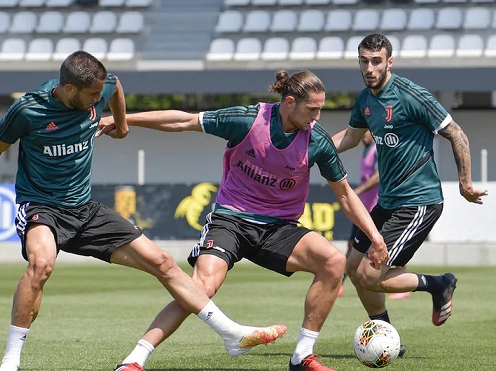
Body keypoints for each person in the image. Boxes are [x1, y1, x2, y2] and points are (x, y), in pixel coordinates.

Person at [0, 51, 286, 371]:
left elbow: (116, 84)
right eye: (92, 94)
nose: (98, 99)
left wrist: (121, 124)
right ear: (69, 89)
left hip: (86, 209)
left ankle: (232, 334)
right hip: (42, 206)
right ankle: (11, 359)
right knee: (41, 264)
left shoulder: (101, 85)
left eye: (100, 92)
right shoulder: (27, 110)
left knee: (164, 262)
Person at [99, 70, 388, 371]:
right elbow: (184, 120)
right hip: (231, 221)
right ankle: (135, 359)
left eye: (320, 108)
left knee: (332, 262)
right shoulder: (247, 120)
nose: (317, 116)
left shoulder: (318, 141)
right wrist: (125, 119)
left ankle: (302, 356)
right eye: (312, 109)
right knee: (202, 287)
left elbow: (345, 195)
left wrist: (376, 238)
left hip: (279, 228)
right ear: (289, 102)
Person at [333, 33, 487, 355]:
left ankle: (439, 283)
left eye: (376, 61)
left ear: (390, 61)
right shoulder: (365, 100)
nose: (370, 68)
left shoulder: (412, 95)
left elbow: (457, 133)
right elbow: (350, 137)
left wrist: (465, 183)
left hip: (419, 201)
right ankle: (391, 340)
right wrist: (311, 153)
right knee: (353, 267)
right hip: (388, 201)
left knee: (369, 274)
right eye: (364, 61)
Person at [339, 130, 381, 296]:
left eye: (366, 132)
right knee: (351, 244)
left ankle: (402, 282)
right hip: (363, 207)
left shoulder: (377, 149)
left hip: (376, 207)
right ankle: (339, 284)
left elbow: (378, 176)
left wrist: (358, 190)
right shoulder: (366, 149)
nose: (363, 135)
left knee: (384, 245)